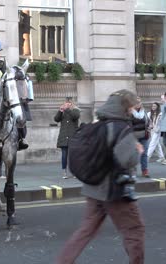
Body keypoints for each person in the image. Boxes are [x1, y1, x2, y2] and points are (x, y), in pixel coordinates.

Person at [56, 89, 145, 264]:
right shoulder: (121, 128)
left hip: (92, 188)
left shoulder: (97, 123)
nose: (133, 111)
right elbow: (127, 160)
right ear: (126, 107)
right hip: (115, 191)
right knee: (134, 230)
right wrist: (138, 150)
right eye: (132, 107)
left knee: (85, 231)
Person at [54, 97, 80, 179]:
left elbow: (75, 117)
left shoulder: (76, 110)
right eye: (66, 103)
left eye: (69, 103)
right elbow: (56, 119)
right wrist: (60, 111)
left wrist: (67, 109)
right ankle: (64, 172)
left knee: (72, 156)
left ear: (72, 104)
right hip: (64, 137)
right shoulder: (63, 112)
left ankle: (74, 172)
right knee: (64, 155)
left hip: (73, 137)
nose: (67, 104)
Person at [131, 97, 150, 177]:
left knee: (144, 153)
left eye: (139, 102)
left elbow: (148, 121)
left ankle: (144, 171)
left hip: (143, 136)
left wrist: (149, 126)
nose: (138, 104)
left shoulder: (144, 112)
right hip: (134, 137)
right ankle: (133, 172)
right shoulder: (130, 112)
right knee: (133, 154)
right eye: (136, 102)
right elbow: (128, 124)